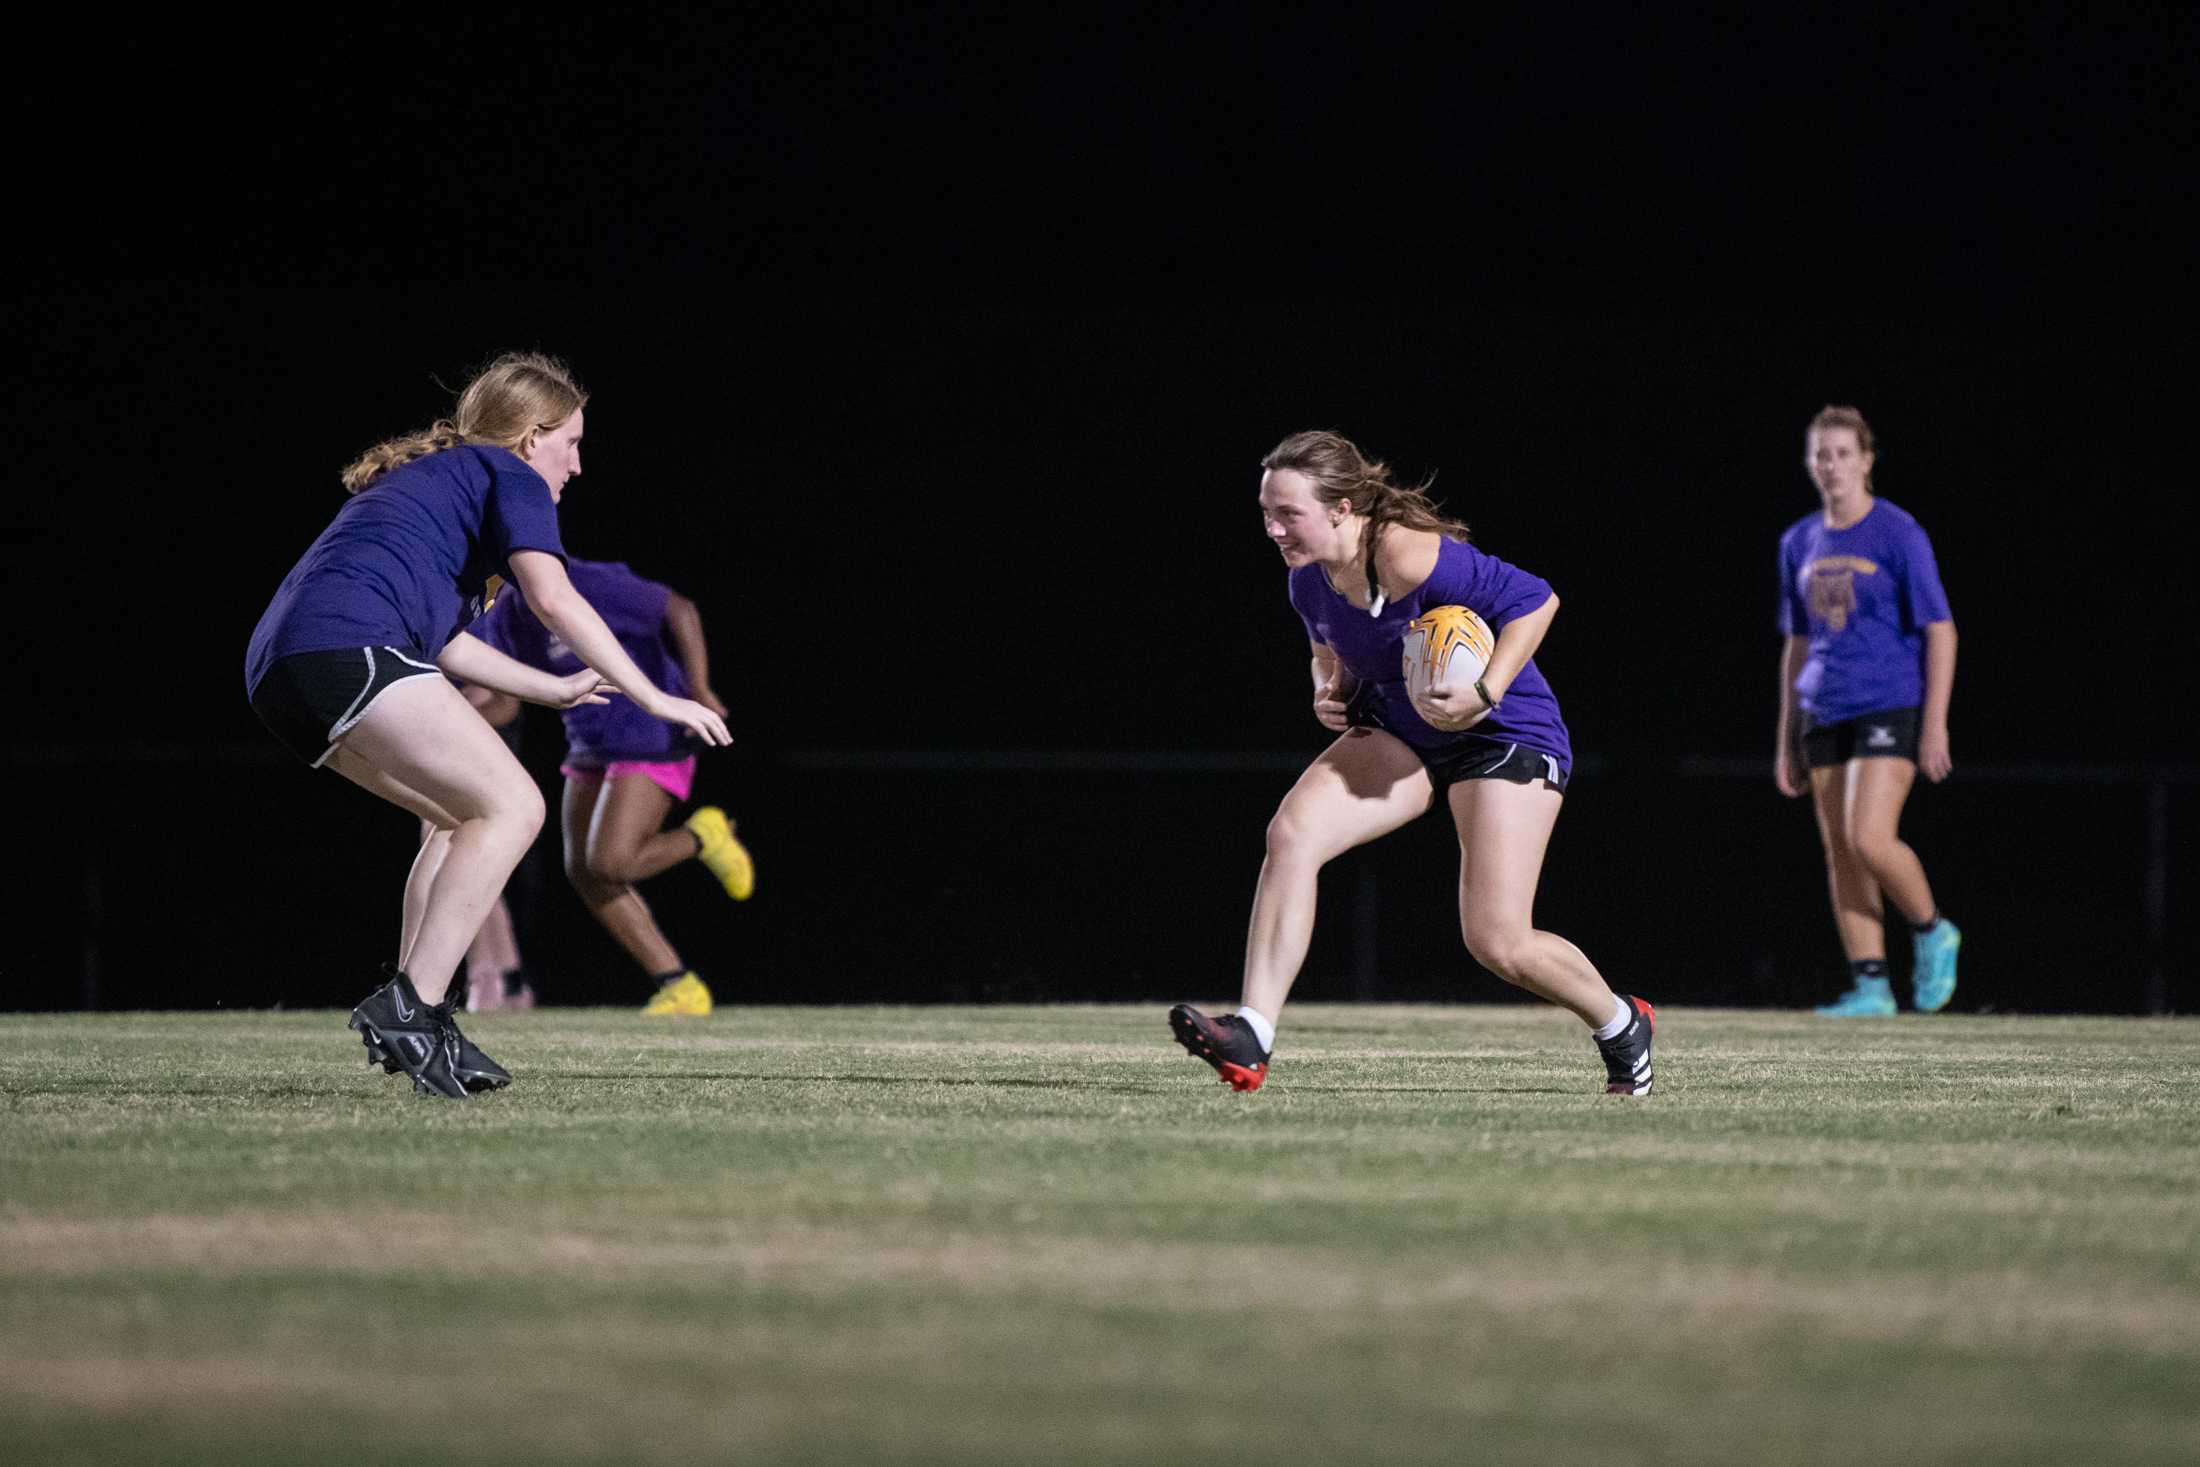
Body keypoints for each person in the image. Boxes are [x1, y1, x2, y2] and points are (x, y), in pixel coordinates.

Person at [244, 353, 732, 1099]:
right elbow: (555, 598)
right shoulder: (509, 474)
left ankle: (422, 1022)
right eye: (572, 441)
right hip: (346, 644)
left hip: (284, 671)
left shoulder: (436, 486)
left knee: (453, 817)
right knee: (516, 805)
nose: (576, 463)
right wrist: (657, 698)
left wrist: (557, 686)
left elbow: (444, 640)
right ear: (531, 436)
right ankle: (413, 1005)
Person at [1169, 430, 1655, 1096]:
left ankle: (1622, 1023)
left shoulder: (1404, 552)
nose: (1275, 528)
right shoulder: (1306, 580)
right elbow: (1326, 649)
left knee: (1497, 939)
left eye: (1289, 514)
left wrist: (1487, 689)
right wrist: (1324, 686)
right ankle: (1252, 1034)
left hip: (1502, 730)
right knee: (1291, 834)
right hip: (1402, 729)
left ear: (1342, 508)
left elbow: (1537, 599)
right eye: (1266, 513)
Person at [464, 557, 754, 1015]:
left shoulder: (585, 582)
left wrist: (698, 689)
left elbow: (679, 610)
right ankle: (678, 985)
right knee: (583, 870)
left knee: (611, 860)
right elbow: (505, 703)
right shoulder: (506, 611)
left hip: (653, 733)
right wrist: (429, 719)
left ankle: (703, 836)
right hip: (590, 743)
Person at [1775, 405, 1960, 1016]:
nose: (1830, 465)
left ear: (1866, 460)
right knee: (1839, 849)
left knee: (1869, 837)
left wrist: (1935, 724)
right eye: (1820, 454)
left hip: (1890, 701)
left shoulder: (1898, 532)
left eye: (1842, 453)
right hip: (1824, 707)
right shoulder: (1798, 540)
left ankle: (1933, 928)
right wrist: (1786, 737)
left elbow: (1940, 629)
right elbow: (1797, 642)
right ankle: (1871, 984)